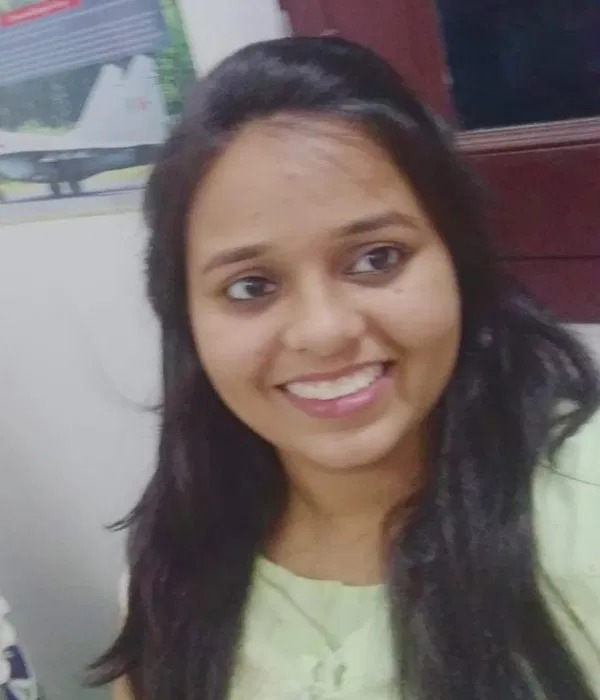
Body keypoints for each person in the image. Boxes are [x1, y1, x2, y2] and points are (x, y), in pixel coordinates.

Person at [91, 37, 600, 700]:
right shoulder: (174, 560)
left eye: (377, 258)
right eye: (251, 287)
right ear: (186, 318)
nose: (324, 331)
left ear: (457, 257)